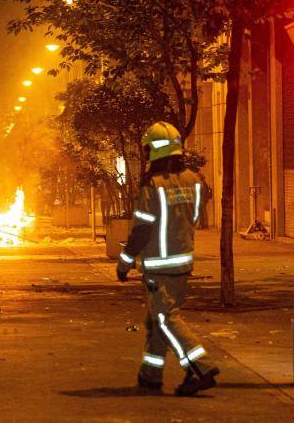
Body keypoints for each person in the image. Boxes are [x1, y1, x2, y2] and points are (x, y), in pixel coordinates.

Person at [116, 121, 219, 396]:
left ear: (154, 150)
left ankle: (200, 367)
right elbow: (195, 217)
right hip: (183, 262)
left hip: (159, 267)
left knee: (166, 318)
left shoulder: (154, 185)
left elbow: (141, 229)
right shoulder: (194, 180)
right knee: (155, 320)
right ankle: (150, 376)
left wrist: (125, 260)